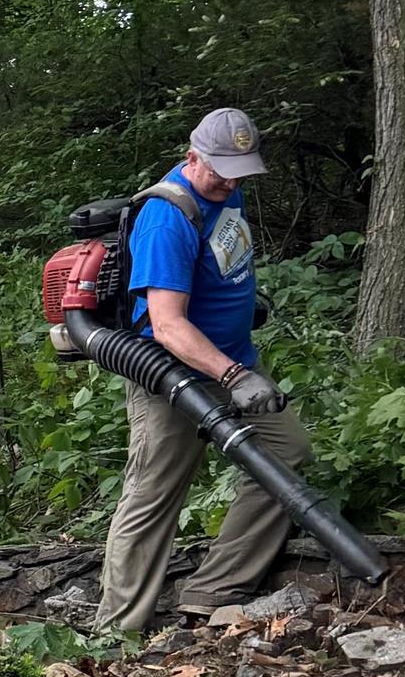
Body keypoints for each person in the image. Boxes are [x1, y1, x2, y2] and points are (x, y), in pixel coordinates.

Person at [97, 107, 311, 633]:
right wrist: (235, 377)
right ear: (192, 156)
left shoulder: (226, 188)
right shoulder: (167, 217)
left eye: (238, 171)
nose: (229, 181)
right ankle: (115, 634)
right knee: (154, 494)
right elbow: (167, 325)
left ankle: (212, 592)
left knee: (286, 455)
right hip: (173, 376)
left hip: (233, 362)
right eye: (219, 170)